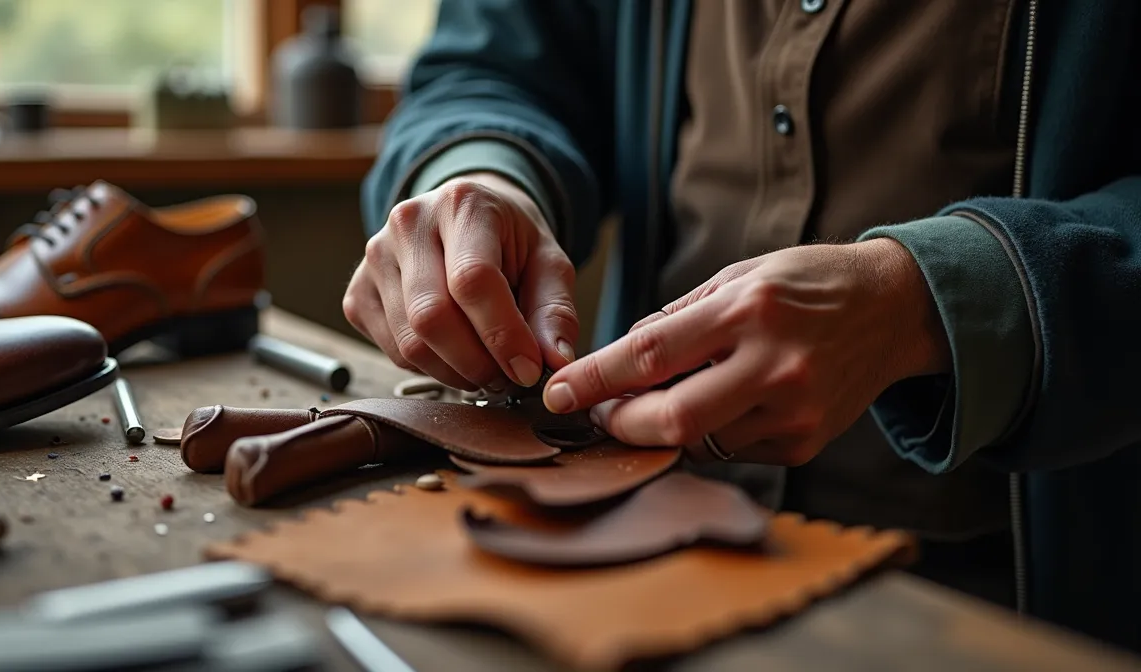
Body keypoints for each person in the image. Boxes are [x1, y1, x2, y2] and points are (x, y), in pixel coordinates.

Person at [346, 0, 1141, 653]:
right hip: (624, 557)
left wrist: (929, 302)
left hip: (1013, 609)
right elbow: (498, 61)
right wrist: (480, 175)